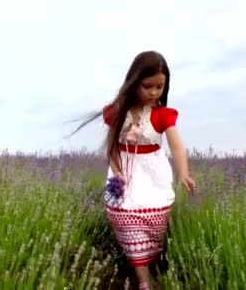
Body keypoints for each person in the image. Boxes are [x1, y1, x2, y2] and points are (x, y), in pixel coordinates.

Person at [70, 50, 196, 289]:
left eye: (159, 87)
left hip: (153, 177)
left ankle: (151, 269)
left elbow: (177, 147)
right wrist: (117, 171)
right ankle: (144, 282)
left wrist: (184, 173)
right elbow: (112, 146)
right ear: (134, 82)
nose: (153, 92)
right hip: (125, 176)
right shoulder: (117, 112)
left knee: (154, 228)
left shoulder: (162, 115)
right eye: (147, 86)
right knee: (129, 225)